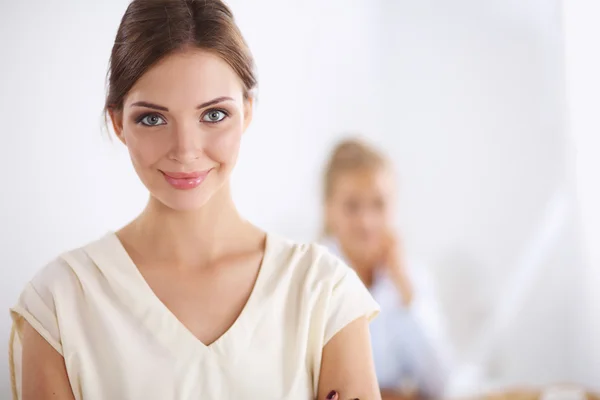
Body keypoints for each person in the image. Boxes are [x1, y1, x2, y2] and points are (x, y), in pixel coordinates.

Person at [8, 1, 381, 399]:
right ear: (118, 122)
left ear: (247, 111)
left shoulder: (321, 292)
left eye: (214, 115)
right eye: (153, 118)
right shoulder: (60, 303)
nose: (185, 151)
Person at [320, 138, 450, 400]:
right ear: (329, 210)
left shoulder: (411, 277)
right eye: (352, 206)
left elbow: (442, 384)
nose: (367, 222)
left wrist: (407, 295)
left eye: (379, 204)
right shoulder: (313, 277)